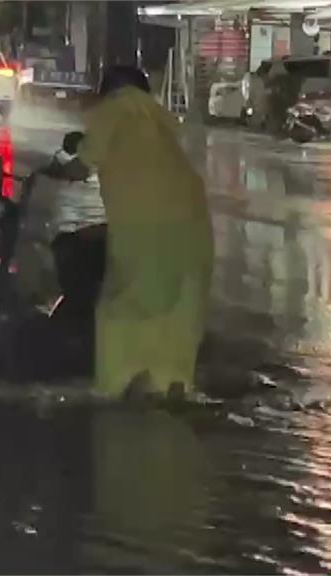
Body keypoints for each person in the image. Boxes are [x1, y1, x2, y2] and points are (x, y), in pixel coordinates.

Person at [42, 65, 214, 402]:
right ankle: (171, 384)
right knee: (176, 315)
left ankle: (116, 390)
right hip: (195, 234)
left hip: (147, 237)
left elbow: (81, 165)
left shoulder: (117, 109)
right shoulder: (158, 120)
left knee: (119, 314)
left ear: (109, 92)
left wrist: (53, 171)